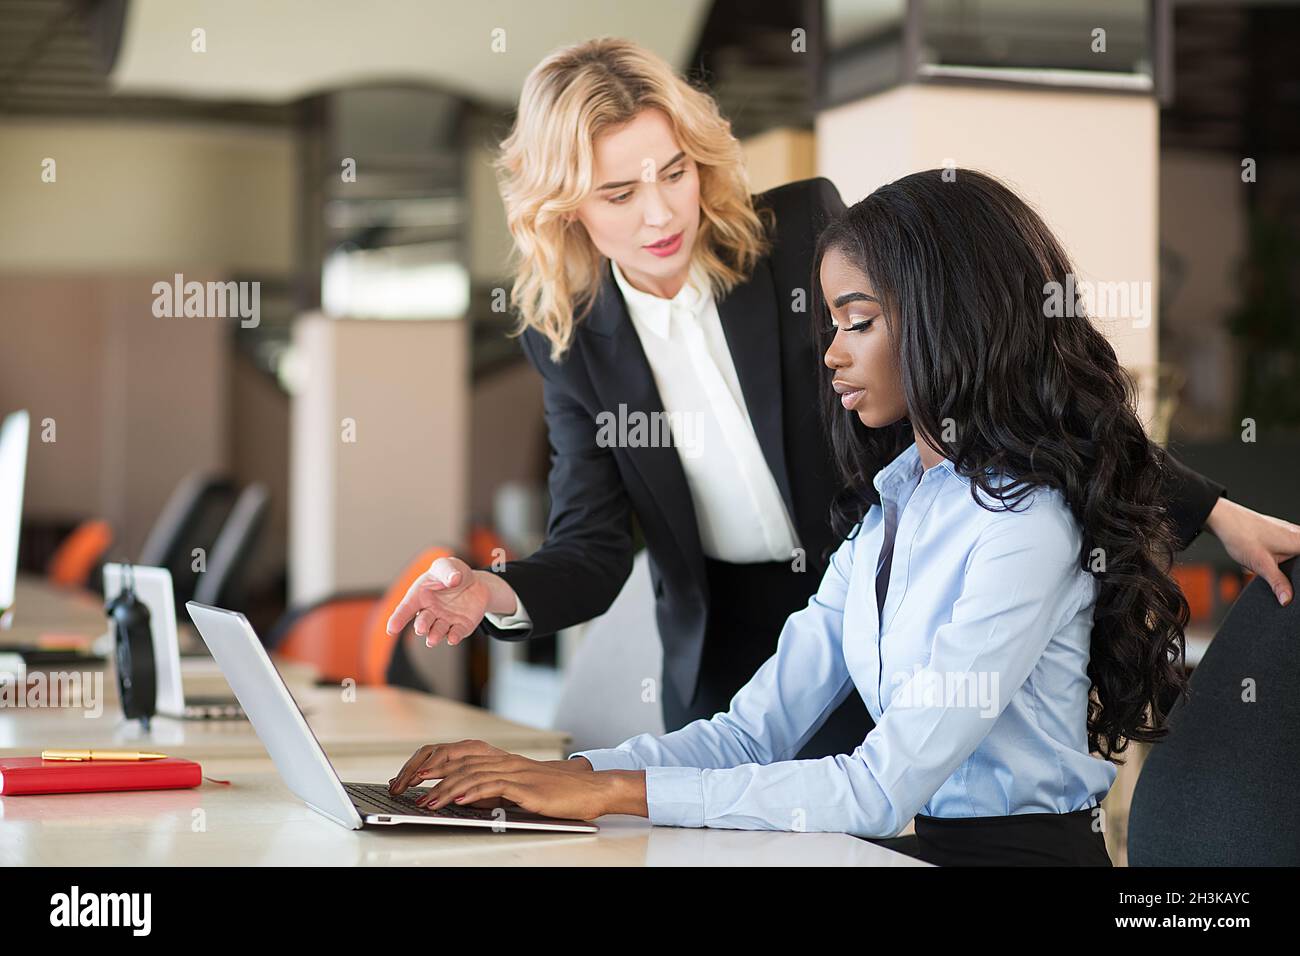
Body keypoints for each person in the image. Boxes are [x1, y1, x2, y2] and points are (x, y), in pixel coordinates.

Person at [385, 38, 1300, 762]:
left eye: (674, 172)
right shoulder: (570, 340)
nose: (661, 214)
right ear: (563, 208)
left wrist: (1210, 507)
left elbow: (999, 372)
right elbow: (590, 549)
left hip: (871, 597)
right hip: (720, 649)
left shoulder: (797, 238)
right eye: (619, 193)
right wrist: (493, 591)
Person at [387, 169, 1216, 865]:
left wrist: (603, 791)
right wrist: (554, 772)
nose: (830, 353)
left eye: (859, 321)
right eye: (830, 325)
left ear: (952, 320)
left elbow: (877, 784)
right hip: (900, 853)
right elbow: (749, 734)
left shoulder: (1026, 525)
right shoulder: (890, 510)